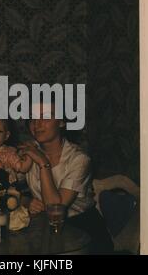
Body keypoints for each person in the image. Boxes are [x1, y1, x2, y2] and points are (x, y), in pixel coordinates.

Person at [19, 102, 114, 254]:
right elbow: (4, 191)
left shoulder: (79, 159)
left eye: (46, 117)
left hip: (84, 231)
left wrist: (43, 163)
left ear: (62, 121)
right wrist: (26, 201)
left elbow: (55, 207)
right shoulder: (28, 152)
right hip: (44, 230)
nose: (37, 124)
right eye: (32, 118)